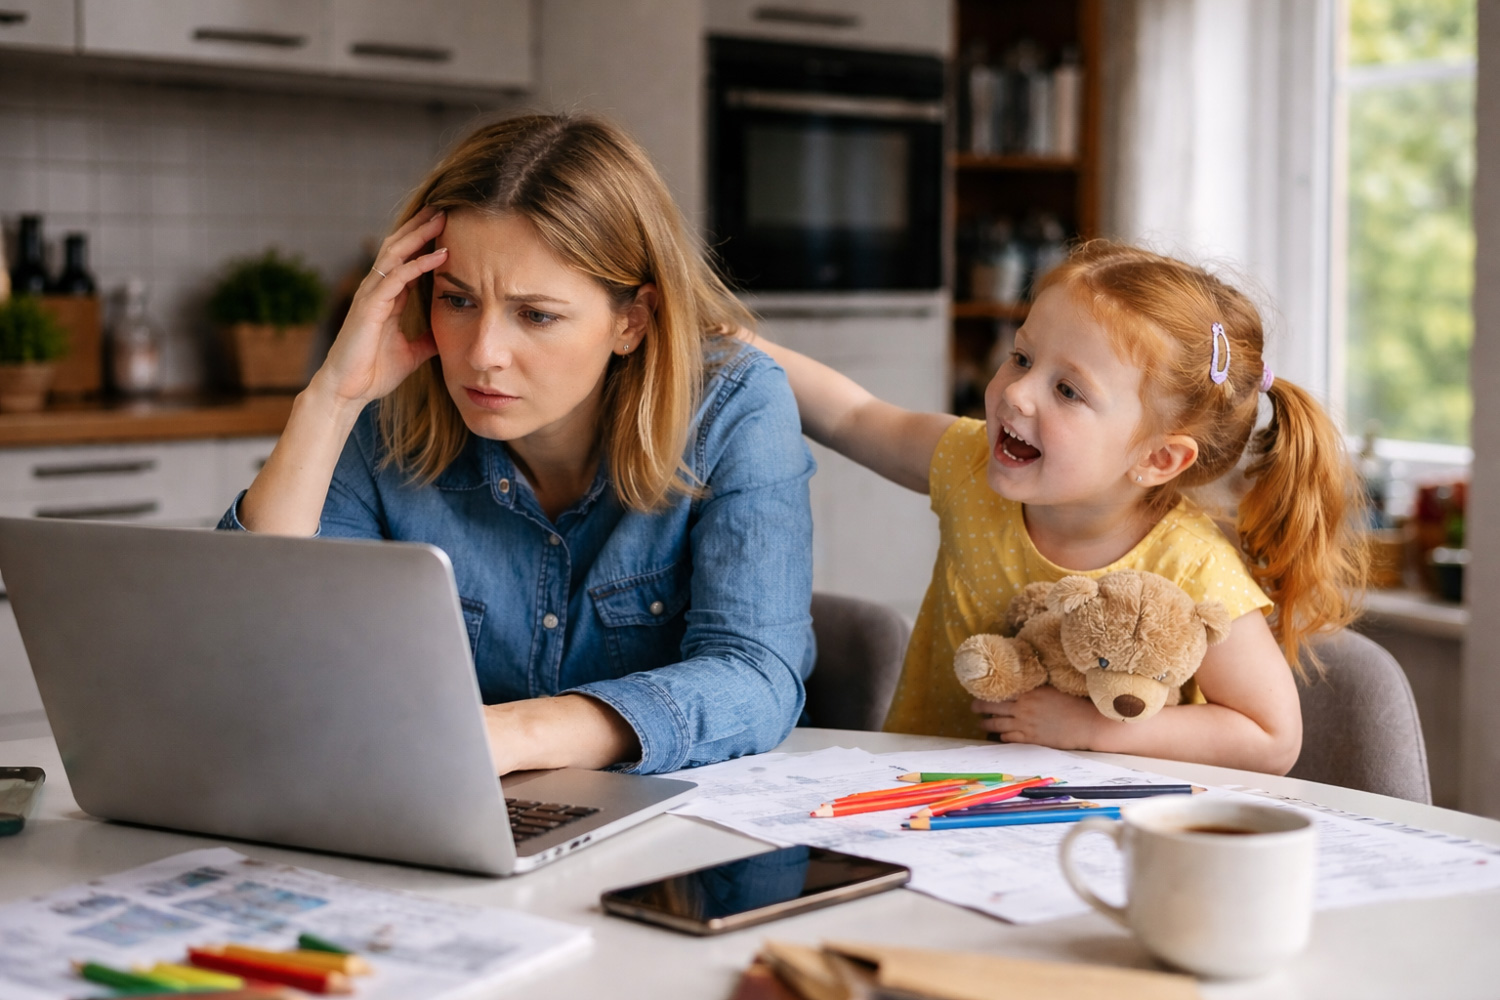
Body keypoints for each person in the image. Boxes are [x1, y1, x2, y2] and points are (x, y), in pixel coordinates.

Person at [221, 114, 815, 776]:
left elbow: (756, 676)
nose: (483, 355)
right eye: (457, 300)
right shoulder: (387, 414)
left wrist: (512, 735)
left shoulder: (732, 407)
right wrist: (330, 398)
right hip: (437, 809)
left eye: (536, 315)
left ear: (631, 320)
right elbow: (257, 648)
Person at [745, 242, 1369, 774]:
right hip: (921, 803)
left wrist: (1090, 729)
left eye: (1067, 390)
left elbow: (1271, 737)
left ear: (1157, 459)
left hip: (1086, 841)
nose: (1016, 392)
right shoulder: (968, 468)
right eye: (1021, 357)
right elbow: (853, 414)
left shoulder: (1193, 564)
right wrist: (733, 343)